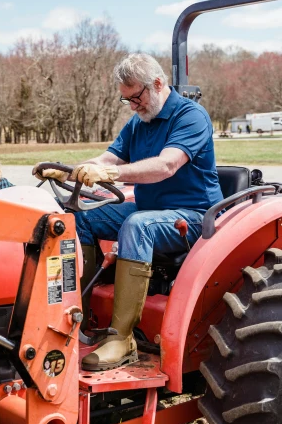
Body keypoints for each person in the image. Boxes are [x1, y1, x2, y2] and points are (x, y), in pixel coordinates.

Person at [33, 53, 223, 371]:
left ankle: (122, 340)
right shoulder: (139, 122)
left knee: (137, 225)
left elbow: (166, 165)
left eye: (135, 97)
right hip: (150, 209)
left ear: (158, 84)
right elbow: (108, 160)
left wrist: (111, 176)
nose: (132, 106)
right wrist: (68, 172)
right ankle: (74, 317)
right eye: (127, 100)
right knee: (77, 216)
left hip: (194, 216)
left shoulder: (191, 117)